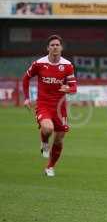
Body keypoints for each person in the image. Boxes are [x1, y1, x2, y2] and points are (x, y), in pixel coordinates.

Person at [22, 35, 77, 177]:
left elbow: (74, 88)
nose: (55, 47)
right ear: (48, 48)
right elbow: (26, 78)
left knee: (59, 138)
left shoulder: (67, 65)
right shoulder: (39, 64)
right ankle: (44, 143)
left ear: (61, 47)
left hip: (60, 108)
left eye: (57, 45)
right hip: (43, 104)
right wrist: (27, 98)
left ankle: (50, 167)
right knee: (48, 128)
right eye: (52, 45)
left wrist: (68, 89)